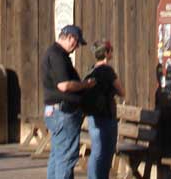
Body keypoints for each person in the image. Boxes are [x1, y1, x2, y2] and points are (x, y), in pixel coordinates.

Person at [41, 25, 95, 179]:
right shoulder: (58, 55)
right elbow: (64, 85)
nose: (76, 47)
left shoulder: (51, 53)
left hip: (53, 110)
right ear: (71, 37)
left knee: (57, 155)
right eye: (76, 43)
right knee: (66, 158)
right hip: (64, 112)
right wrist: (85, 84)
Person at [82, 40, 125, 179]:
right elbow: (121, 91)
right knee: (105, 152)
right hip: (106, 116)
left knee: (96, 151)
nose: (112, 52)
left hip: (92, 116)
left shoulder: (91, 70)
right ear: (106, 53)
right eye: (110, 50)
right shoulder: (108, 71)